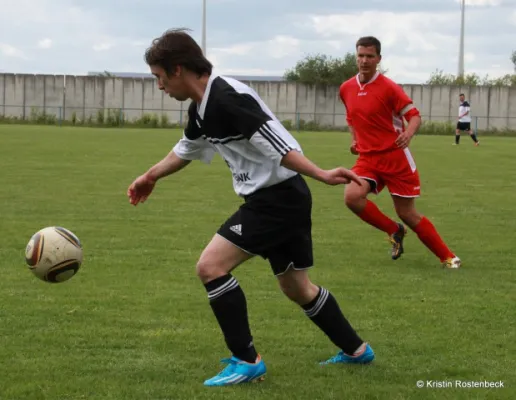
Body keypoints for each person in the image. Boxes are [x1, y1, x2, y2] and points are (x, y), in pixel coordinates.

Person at [127, 28, 375, 387]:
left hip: (277, 201)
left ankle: (246, 361)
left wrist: (320, 173)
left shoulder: (228, 97)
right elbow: (187, 149)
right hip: (279, 198)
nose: (160, 86)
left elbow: (279, 144)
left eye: (159, 78)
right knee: (296, 287)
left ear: (177, 69)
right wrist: (150, 176)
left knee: (210, 267)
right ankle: (357, 350)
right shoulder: (202, 108)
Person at [339, 36, 461, 269]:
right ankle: (394, 230)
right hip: (368, 159)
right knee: (352, 197)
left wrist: (408, 134)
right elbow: (351, 116)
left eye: (370, 56)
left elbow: (414, 115)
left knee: (407, 213)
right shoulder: (346, 88)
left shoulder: (389, 88)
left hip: (395, 158)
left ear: (378, 59)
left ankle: (448, 257)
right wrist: (354, 139)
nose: (364, 61)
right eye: (361, 56)